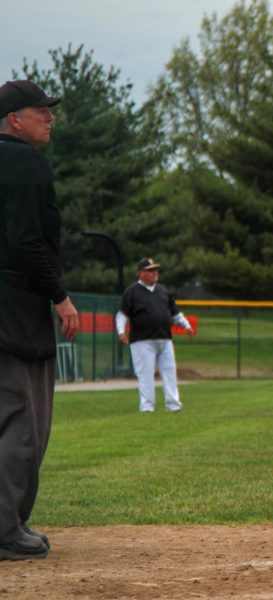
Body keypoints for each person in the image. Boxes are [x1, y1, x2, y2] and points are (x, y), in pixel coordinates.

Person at [0, 80, 79, 560]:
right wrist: (61, 298)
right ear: (14, 120)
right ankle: (6, 529)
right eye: (40, 111)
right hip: (15, 313)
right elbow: (27, 244)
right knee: (23, 425)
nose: (49, 118)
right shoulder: (25, 163)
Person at [116, 257, 195, 413]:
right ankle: (147, 407)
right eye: (150, 270)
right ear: (140, 273)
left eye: (155, 270)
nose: (154, 273)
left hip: (164, 339)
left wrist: (186, 325)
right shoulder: (132, 292)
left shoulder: (163, 290)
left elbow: (175, 313)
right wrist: (121, 331)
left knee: (170, 372)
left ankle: (173, 405)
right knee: (145, 375)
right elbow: (122, 315)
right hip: (142, 341)